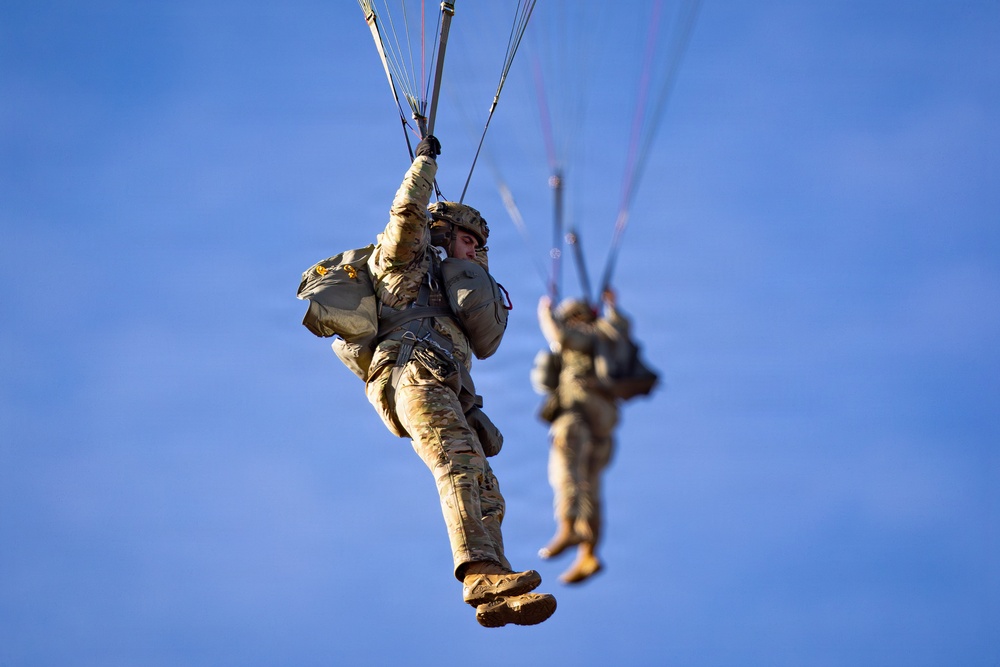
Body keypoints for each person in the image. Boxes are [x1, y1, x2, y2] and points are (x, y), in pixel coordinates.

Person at [364, 135, 556, 627]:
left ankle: (493, 583)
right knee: (456, 463)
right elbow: (407, 215)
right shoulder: (403, 267)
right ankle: (479, 572)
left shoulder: (452, 293)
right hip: (412, 375)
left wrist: (473, 269)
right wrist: (423, 165)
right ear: (442, 234)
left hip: (444, 385)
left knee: (486, 486)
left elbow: (482, 337)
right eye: (467, 239)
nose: (475, 251)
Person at [535, 288, 630, 584]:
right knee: (590, 484)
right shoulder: (609, 336)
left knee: (566, 468)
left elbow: (559, 339)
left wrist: (545, 315)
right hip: (604, 422)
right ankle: (589, 552)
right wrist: (613, 308)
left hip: (579, 412)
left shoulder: (584, 337)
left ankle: (569, 526)